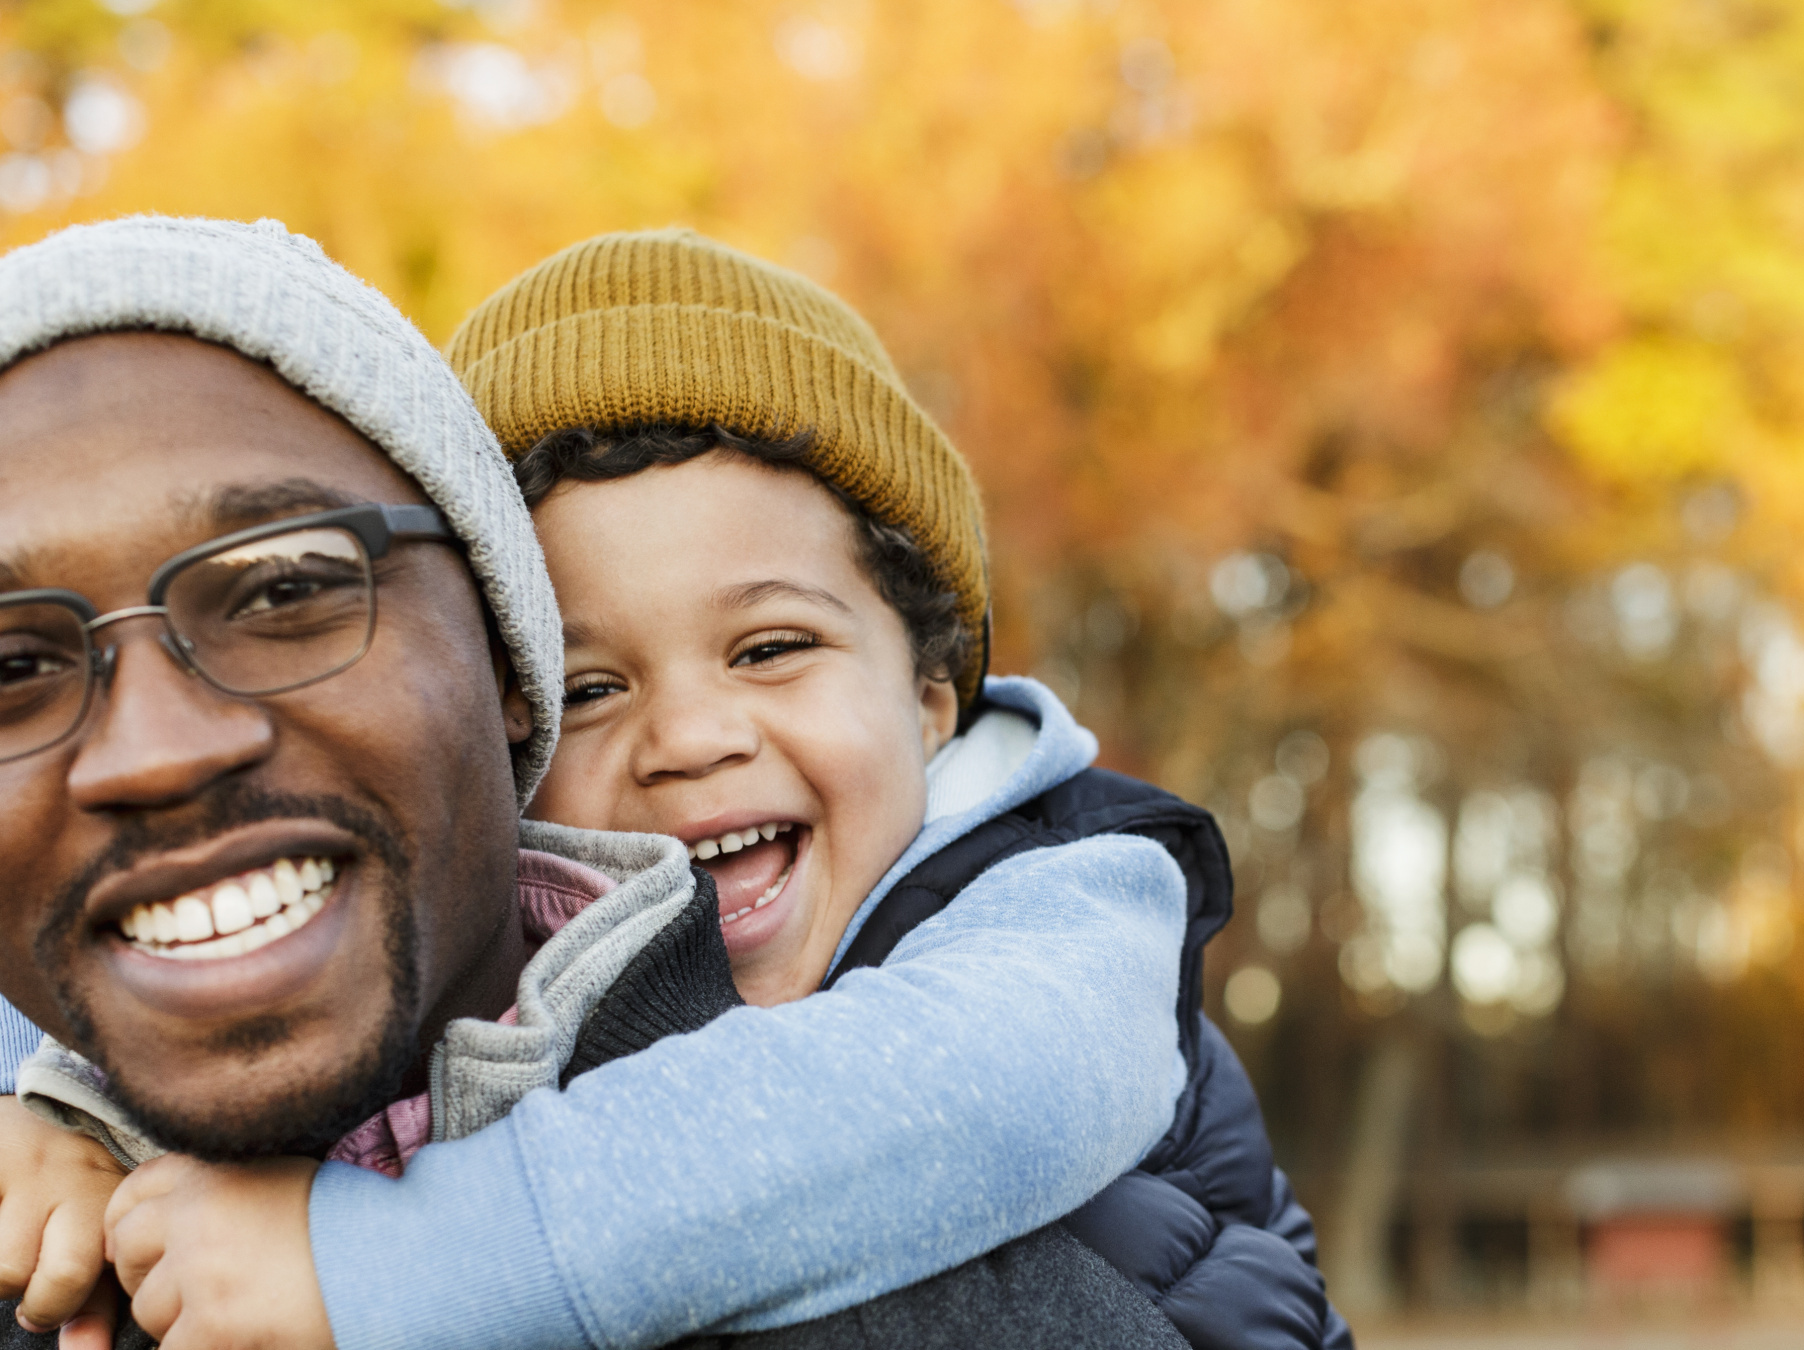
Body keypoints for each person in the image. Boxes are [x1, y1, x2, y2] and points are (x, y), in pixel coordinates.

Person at [0, 215, 1191, 1350]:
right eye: (593, 689)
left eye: (772, 648)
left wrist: (373, 1266)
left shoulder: (1067, 900)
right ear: (507, 697)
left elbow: (958, 1099)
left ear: (933, 697)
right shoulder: (461, 967)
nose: (689, 737)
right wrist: (53, 1112)